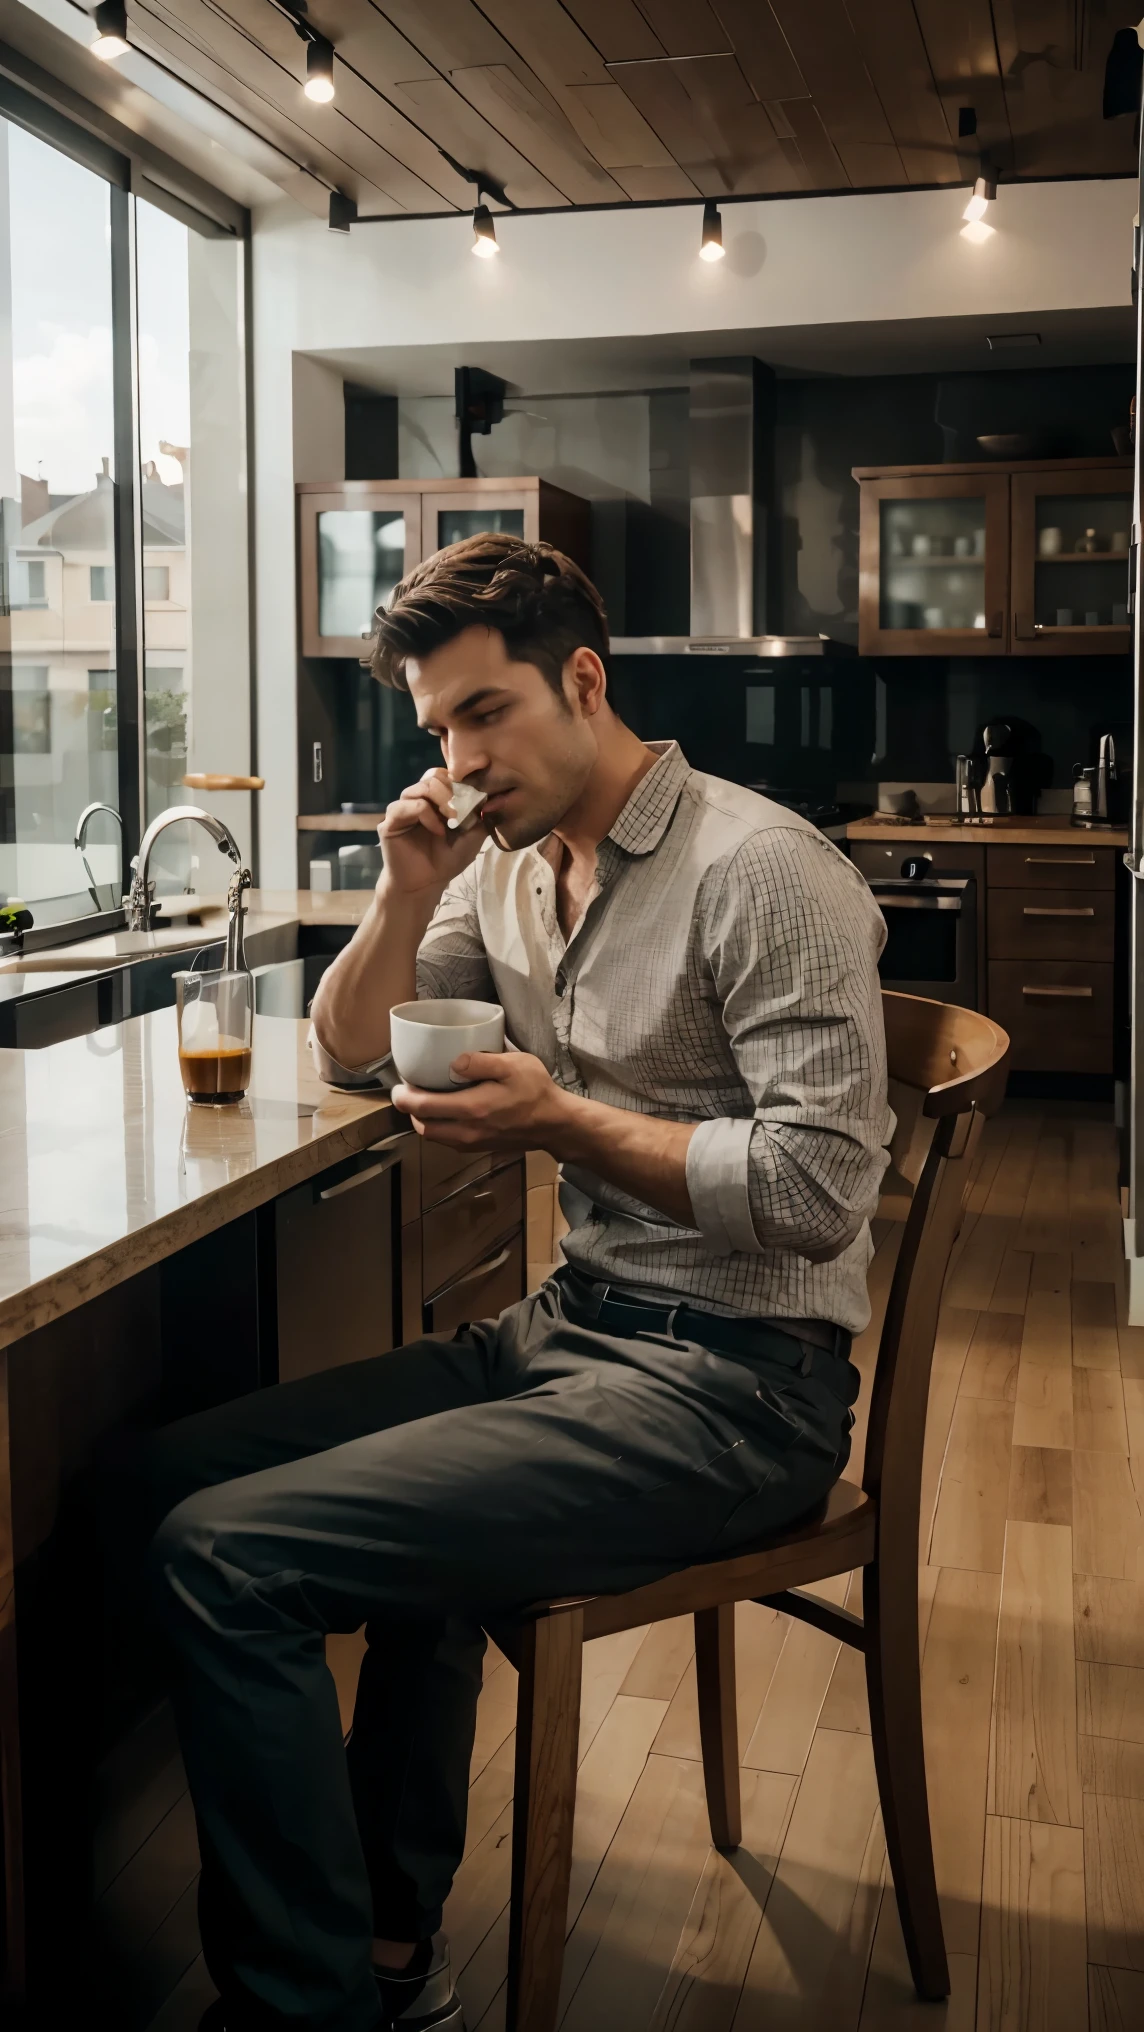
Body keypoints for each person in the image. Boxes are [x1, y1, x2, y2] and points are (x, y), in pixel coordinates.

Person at [140, 535, 892, 2032]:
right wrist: (407, 888)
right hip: (570, 1335)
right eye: (439, 732)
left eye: (488, 713)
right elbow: (350, 1052)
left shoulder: (760, 869)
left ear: (584, 681)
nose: (464, 760)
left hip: (742, 1385)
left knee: (230, 1553)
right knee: (161, 1477)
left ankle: (312, 2007)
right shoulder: (510, 872)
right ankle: (386, 1945)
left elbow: (818, 1193)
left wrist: (557, 1118)